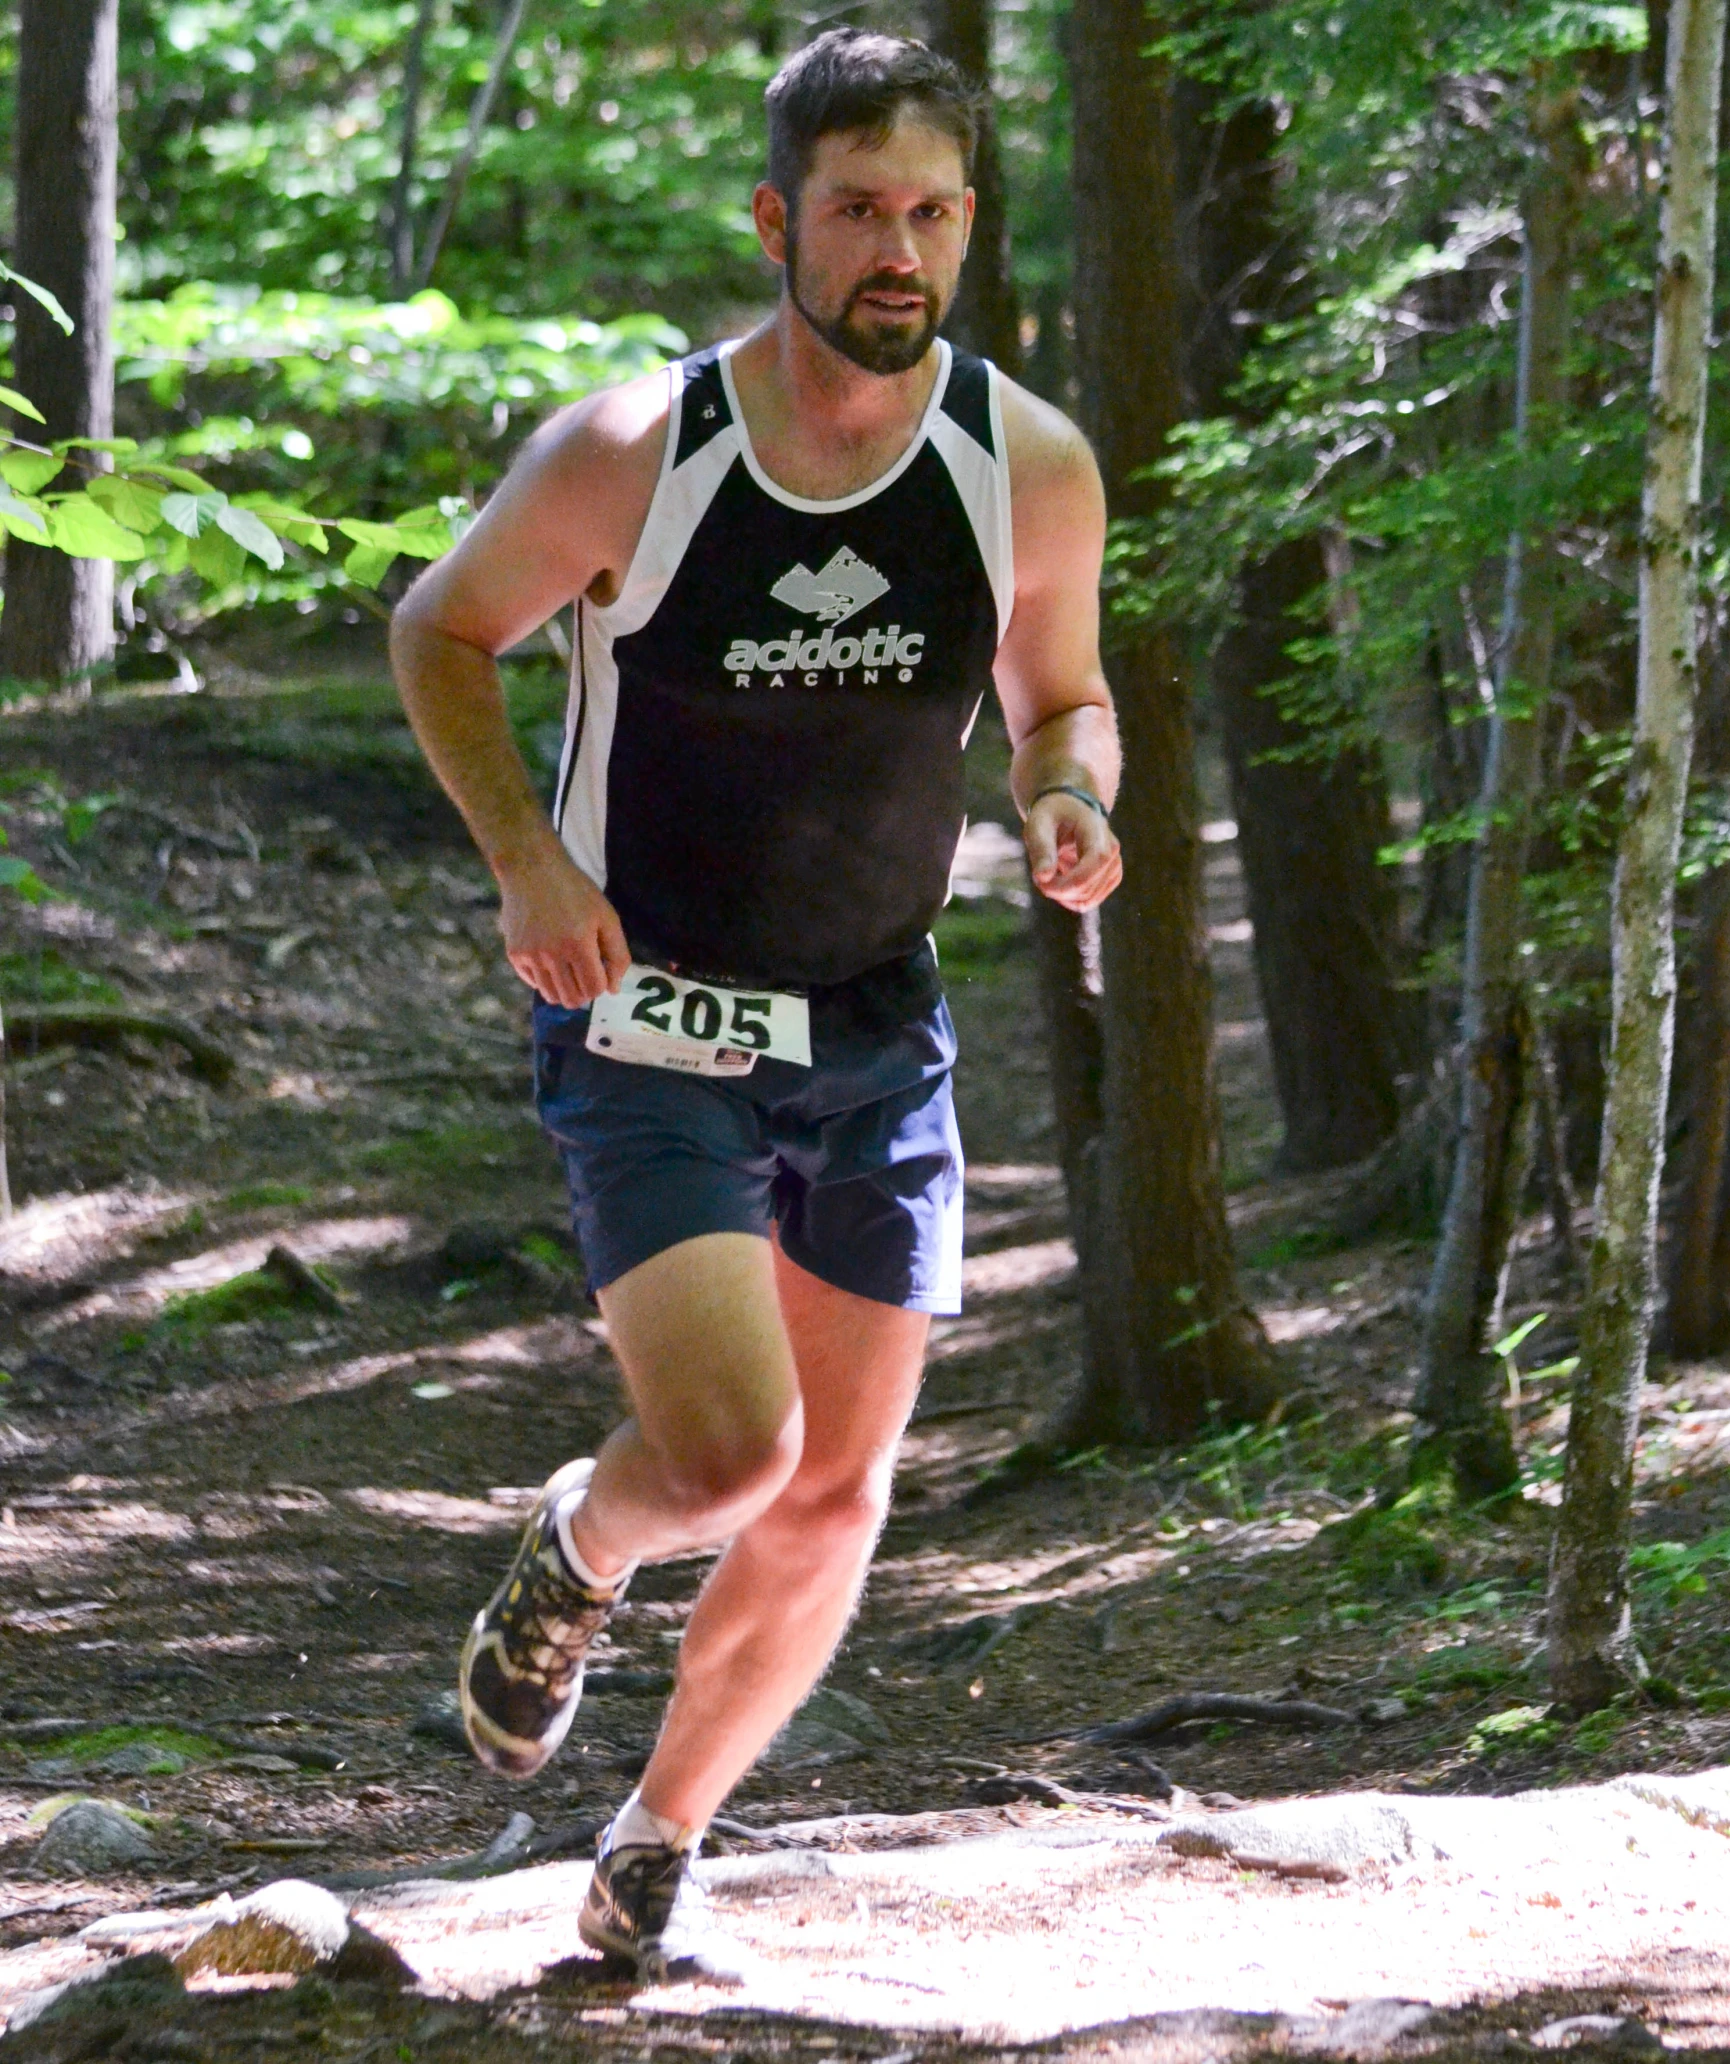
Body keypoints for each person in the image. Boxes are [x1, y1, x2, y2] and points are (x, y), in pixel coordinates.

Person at [389, 26, 1122, 1984]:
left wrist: (1066, 791)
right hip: (647, 1002)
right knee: (725, 1458)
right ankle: (581, 1543)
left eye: (937, 213)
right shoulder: (636, 449)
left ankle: (656, 1838)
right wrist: (534, 873)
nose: (901, 250)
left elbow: (1064, 686)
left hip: (875, 1020)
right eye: (862, 209)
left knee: (835, 1497)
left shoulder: (1021, 463)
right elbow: (440, 630)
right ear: (776, 220)